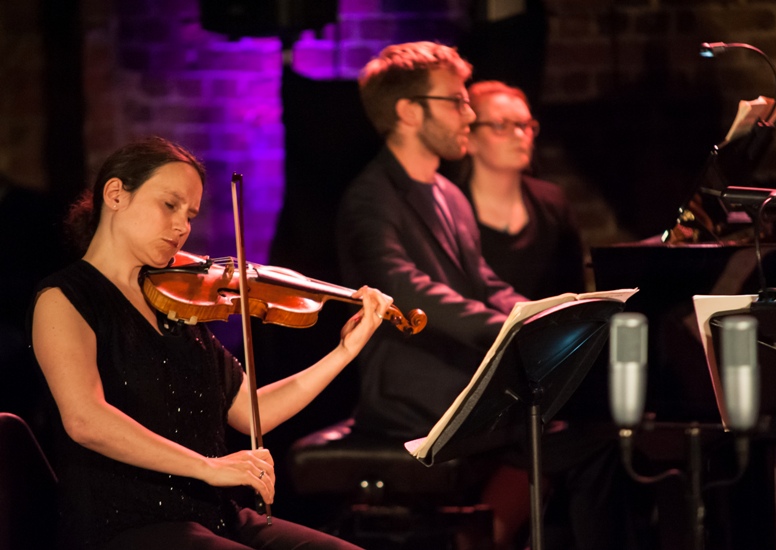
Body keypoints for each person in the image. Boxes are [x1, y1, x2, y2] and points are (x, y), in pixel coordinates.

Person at [29, 136, 391, 550]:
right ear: (116, 194)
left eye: (190, 214)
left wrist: (345, 351)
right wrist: (209, 468)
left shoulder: (177, 303)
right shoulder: (65, 297)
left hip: (215, 515)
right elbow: (85, 421)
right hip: (126, 523)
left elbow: (252, 412)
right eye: (170, 205)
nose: (183, 226)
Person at [336, 41, 527, 442]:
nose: (470, 115)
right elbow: (402, 287)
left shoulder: (450, 193)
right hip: (411, 400)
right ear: (408, 111)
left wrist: (544, 316)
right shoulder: (369, 196)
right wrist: (509, 330)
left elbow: (483, 281)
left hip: (461, 382)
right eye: (457, 101)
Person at [463, 80, 585, 299]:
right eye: (500, 125)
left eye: (525, 125)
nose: (519, 136)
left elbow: (574, 293)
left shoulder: (553, 203)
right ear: (469, 138)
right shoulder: (449, 205)